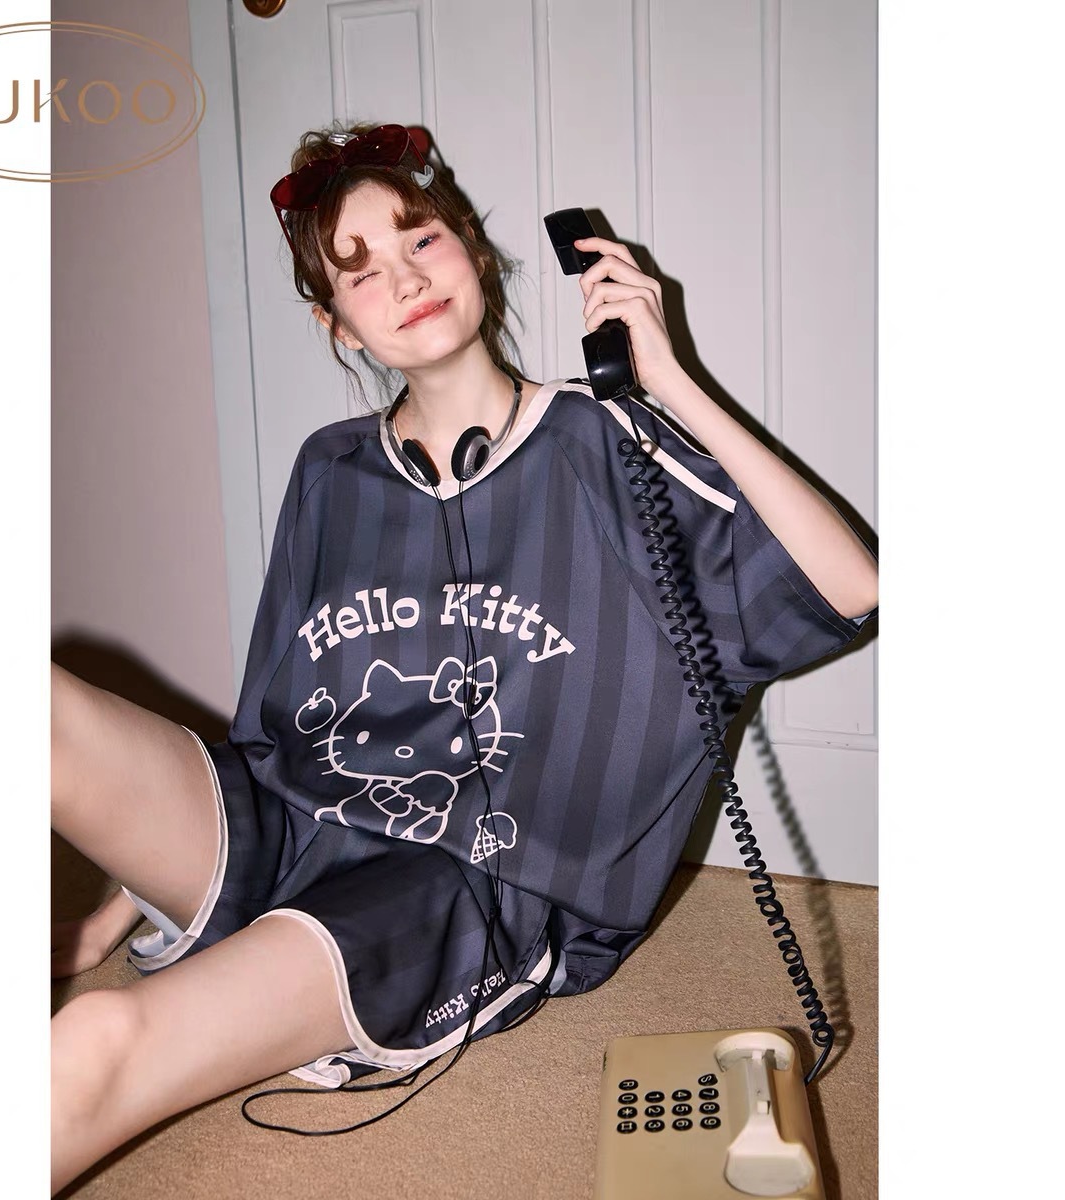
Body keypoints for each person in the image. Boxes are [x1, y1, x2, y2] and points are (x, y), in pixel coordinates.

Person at [50, 122, 878, 1192]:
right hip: (293, 823)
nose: (403, 279)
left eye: (422, 240)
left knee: (98, 1038)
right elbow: (272, 727)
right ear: (334, 322)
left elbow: (849, 584)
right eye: (360, 272)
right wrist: (131, 897)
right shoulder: (328, 470)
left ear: (474, 252)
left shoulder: (602, 441)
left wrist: (667, 379)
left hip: (463, 889)